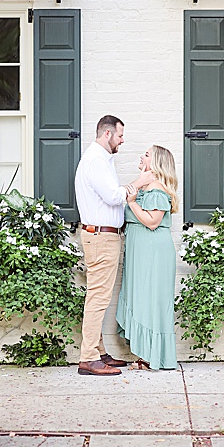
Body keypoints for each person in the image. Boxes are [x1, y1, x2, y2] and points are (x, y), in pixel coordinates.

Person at [74, 115, 153, 377]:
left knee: (99, 296)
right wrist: (139, 183)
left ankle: (98, 351)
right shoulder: (96, 160)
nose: (122, 140)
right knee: (98, 297)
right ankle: (88, 358)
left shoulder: (100, 159)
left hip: (103, 236)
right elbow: (114, 196)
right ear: (107, 134)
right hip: (101, 237)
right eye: (120, 136)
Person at [116, 145, 179, 370]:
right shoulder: (147, 187)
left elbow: (152, 222)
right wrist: (139, 182)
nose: (140, 156)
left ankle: (153, 357)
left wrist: (132, 202)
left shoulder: (157, 190)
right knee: (143, 299)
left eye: (146, 154)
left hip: (152, 252)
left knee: (151, 300)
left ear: (157, 163)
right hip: (141, 251)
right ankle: (147, 354)